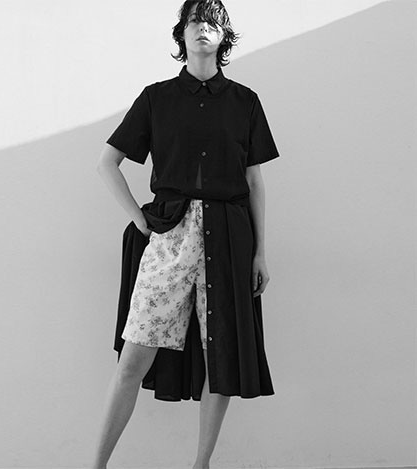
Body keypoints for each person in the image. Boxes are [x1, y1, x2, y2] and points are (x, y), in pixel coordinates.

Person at [93, 1, 280, 468]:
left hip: (229, 238)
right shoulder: (156, 98)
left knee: (221, 359)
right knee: (133, 358)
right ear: (182, 34)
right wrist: (139, 219)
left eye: (213, 22)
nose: (203, 28)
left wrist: (260, 252)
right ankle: (96, 465)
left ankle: (201, 465)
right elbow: (107, 163)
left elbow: (254, 181)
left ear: (224, 37)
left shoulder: (244, 102)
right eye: (195, 20)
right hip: (169, 236)